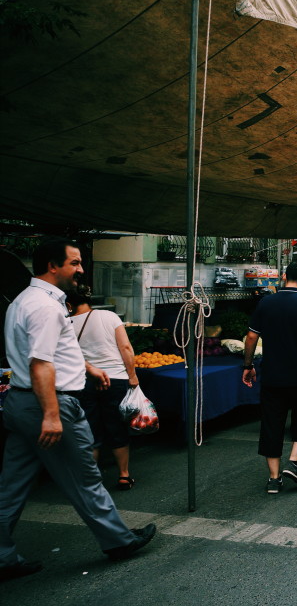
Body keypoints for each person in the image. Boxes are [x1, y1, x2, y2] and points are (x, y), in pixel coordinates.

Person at [1, 239, 156, 580]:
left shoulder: (24, 301)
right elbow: (41, 364)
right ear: (53, 266)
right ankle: (118, 540)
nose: (81, 269)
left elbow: (48, 352)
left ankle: (2, 556)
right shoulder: (45, 306)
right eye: (75, 263)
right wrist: (52, 415)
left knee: (10, 486)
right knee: (85, 479)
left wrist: (87, 368)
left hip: (20, 402)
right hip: (49, 402)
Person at [243, 261, 297, 494]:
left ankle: (274, 478)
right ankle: (295, 461)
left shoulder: (266, 302)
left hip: (272, 375)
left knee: (271, 423)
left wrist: (247, 365)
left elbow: (250, 337)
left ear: (284, 276)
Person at [67, 285, 140, 490]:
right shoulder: (109, 316)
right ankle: (124, 475)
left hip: (84, 381)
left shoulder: (65, 323)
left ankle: (92, 480)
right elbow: (125, 347)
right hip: (115, 378)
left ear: (69, 304)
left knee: (90, 429)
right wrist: (132, 376)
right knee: (116, 426)